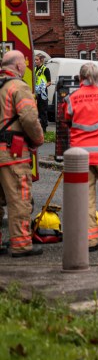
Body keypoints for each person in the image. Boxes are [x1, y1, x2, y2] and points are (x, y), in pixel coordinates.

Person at [60, 63, 98, 251]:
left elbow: (67, 120)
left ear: (79, 78)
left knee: (86, 198)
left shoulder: (71, 98)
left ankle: (90, 240)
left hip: (81, 157)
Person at [0, 51, 45, 257]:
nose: (26, 67)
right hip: (12, 154)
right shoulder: (18, 87)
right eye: (24, 64)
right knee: (19, 198)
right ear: (18, 67)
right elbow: (28, 118)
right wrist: (37, 140)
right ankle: (20, 244)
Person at [33, 52, 51, 131]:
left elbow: (49, 82)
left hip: (43, 93)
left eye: (37, 60)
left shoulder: (45, 69)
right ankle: (38, 128)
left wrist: (42, 87)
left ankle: (44, 128)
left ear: (41, 60)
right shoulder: (34, 69)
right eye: (35, 60)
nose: (35, 61)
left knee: (43, 110)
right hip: (36, 93)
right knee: (36, 110)